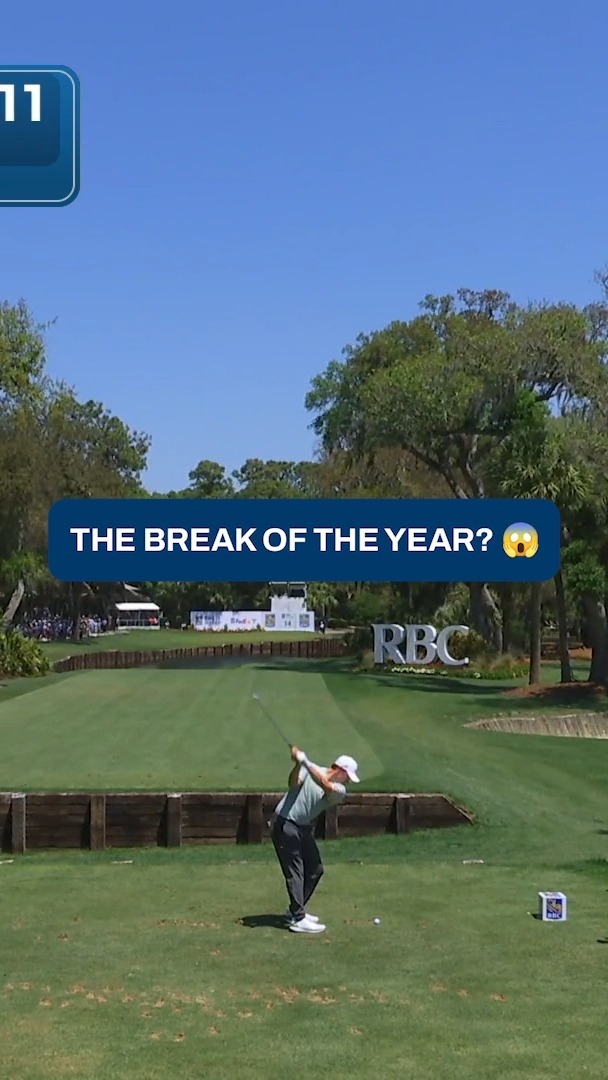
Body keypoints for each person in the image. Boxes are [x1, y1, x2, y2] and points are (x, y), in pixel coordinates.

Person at [270, 744, 359, 934]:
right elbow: (293, 784)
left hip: (302, 827)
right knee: (296, 870)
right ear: (340, 770)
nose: (348, 782)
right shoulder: (310, 768)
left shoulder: (340, 791)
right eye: (348, 776)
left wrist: (305, 762)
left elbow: (324, 784)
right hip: (284, 823)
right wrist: (297, 764)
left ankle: (295, 911)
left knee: (315, 868)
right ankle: (298, 917)